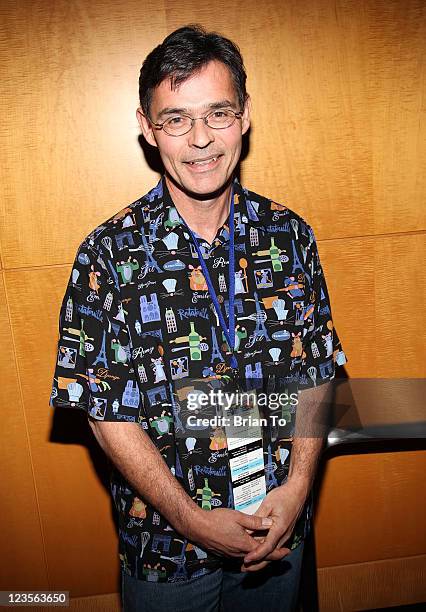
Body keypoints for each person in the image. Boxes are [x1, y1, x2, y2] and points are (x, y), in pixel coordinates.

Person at [50, 25, 347, 612]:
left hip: (276, 533)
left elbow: (317, 374)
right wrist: (189, 518)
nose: (201, 140)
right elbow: (102, 411)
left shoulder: (289, 235)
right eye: (176, 119)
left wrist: (298, 488)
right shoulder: (108, 255)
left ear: (245, 115)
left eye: (218, 113)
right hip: (166, 552)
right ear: (146, 127)